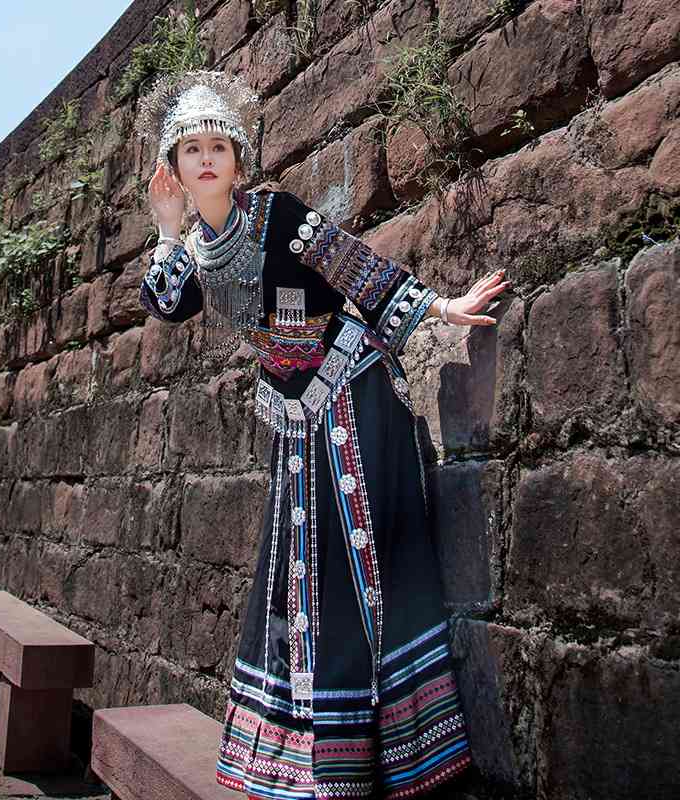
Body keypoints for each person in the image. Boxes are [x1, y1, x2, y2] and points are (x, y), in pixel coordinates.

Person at [135, 69, 509, 799]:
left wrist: (440, 307)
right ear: (174, 170)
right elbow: (165, 303)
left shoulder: (277, 215)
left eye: (218, 146)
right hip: (297, 415)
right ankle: (319, 754)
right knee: (301, 574)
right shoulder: (196, 248)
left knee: (353, 570)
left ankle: (397, 749)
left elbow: (357, 269)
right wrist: (167, 229)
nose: (206, 159)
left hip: (353, 392)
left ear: (239, 162)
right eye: (191, 151)